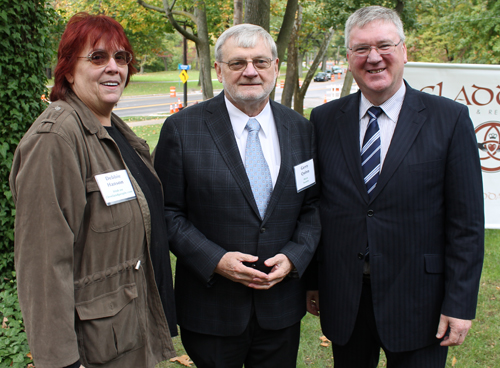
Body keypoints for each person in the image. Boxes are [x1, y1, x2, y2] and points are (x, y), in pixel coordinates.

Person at [306, 5, 484, 368]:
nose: (373, 58)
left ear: (405, 51)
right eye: (361, 49)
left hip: (422, 302)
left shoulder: (449, 120)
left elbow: (466, 224)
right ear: (349, 56)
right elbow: (315, 206)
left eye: (384, 45)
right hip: (346, 299)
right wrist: (313, 281)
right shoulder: (324, 120)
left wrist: (460, 304)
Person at [10, 13, 176, 368]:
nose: (113, 68)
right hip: (94, 352)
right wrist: (62, 363)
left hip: (128, 333)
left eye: (121, 58)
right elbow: (43, 265)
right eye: (97, 58)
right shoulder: (56, 139)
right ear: (68, 71)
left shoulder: (114, 129)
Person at [154, 24, 321, 368]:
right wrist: (215, 259)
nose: (250, 71)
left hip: (280, 308)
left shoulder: (300, 129)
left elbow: (313, 206)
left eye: (260, 62)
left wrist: (294, 257)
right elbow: (168, 212)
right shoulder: (183, 129)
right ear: (218, 70)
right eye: (237, 63)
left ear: (275, 67)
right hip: (212, 308)